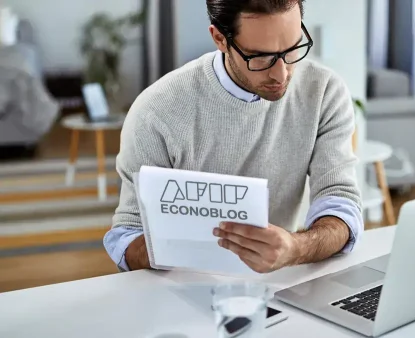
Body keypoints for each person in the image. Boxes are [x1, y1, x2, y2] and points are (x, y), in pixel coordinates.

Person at [103, 0, 363, 273]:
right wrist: (191, 247)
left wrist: (296, 248)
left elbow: (340, 203)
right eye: (260, 57)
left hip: (280, 282)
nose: (282, 73)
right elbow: (126, 239)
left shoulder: (324, 91)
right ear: (219, 38)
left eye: (293, 48)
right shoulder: (157, 111)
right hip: (181, 288)